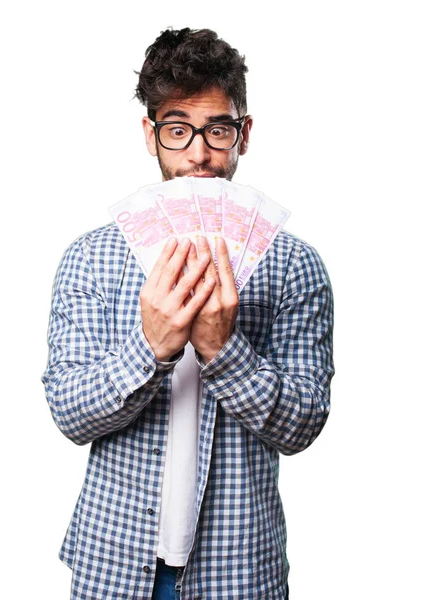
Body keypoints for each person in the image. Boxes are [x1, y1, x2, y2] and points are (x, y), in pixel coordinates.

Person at [41, 27, 335, 600]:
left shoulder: (296, 265)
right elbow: (69, 415)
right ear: (150, 136)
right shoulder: (89, 259)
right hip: (111, 564)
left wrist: (225, 351)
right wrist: (148, 348)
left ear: (243, 134)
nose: (198, 153)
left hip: (239, 570)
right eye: (177, 130)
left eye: (216, 130)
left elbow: (303, 426)